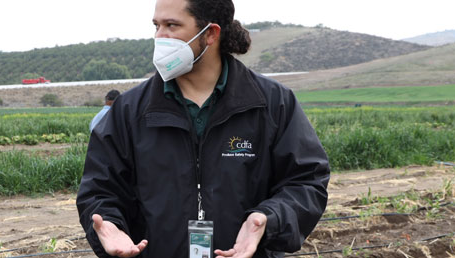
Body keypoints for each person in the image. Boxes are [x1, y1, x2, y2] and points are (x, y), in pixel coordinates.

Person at [76, 0, 330, 257]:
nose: (160, 37)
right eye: (157, 26)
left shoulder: (272, 103)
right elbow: (100, 189)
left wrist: (269, 218)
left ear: (210, 34)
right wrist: (109, 223)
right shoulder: (129, 111)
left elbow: (306, 181)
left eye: (172, 26)